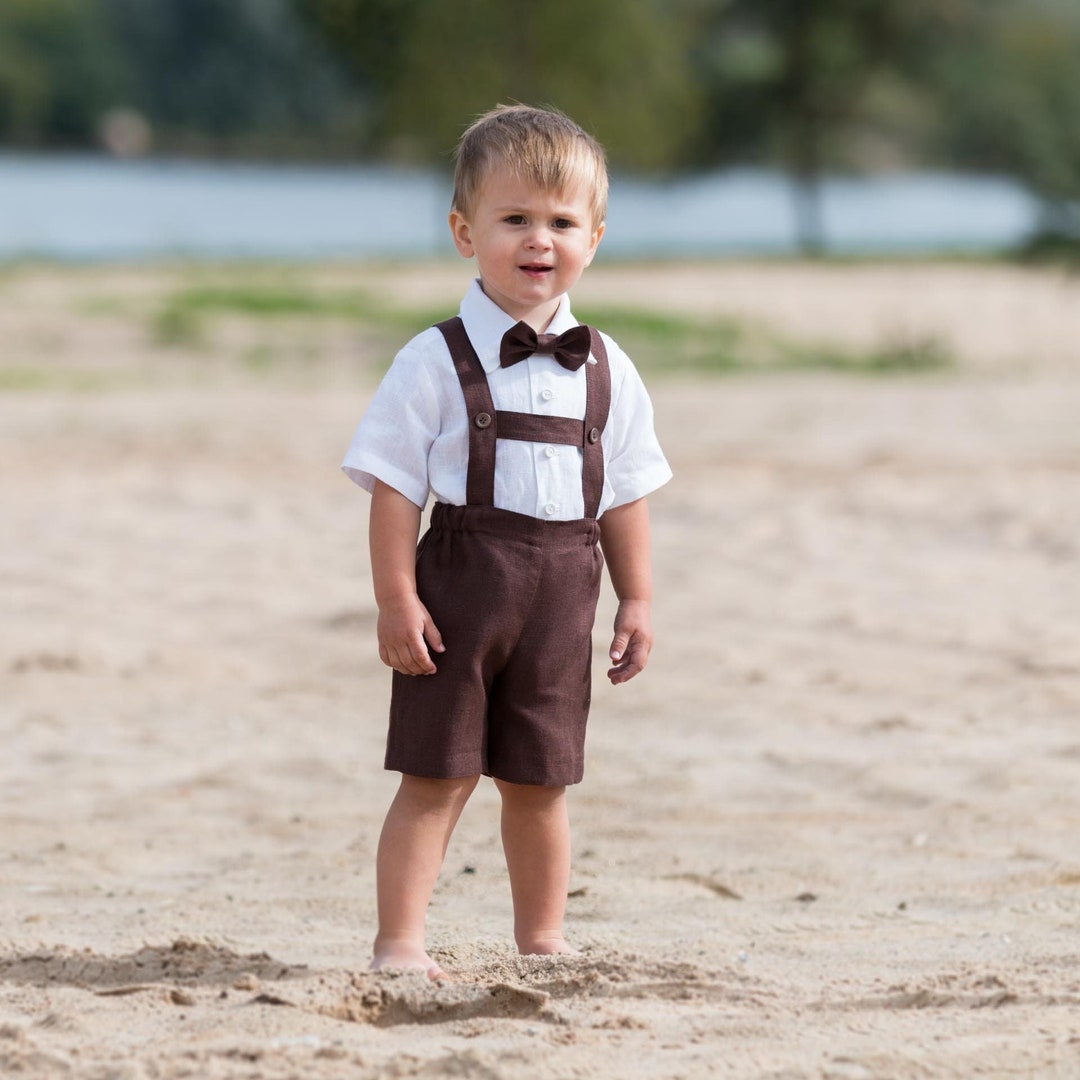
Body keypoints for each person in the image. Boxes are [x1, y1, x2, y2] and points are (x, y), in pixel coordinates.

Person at [341, 104, 672, 979]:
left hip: (566, 594)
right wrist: (394, 598)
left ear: (594, 238)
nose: (539, 240)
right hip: (457, 595)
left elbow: (625, 491)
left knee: (542, 782)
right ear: (464, 232)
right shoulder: (433, 358)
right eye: (515, 218)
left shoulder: (608, 366)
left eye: (562, 222)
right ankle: (399, 942)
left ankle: (542, 939)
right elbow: (392, 486)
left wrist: (635, 596)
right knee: (436, 775)